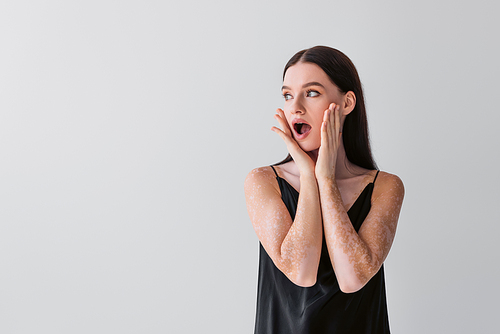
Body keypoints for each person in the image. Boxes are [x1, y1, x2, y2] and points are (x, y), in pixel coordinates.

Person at [244, 46, 405, 334]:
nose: (295, 107)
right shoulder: (262, 181)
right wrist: (308, 174)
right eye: (288, 95)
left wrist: (326, 181)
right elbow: (301, 271)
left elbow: (352, 278)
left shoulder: (385, 186)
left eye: (312, 92)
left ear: (347, 102)